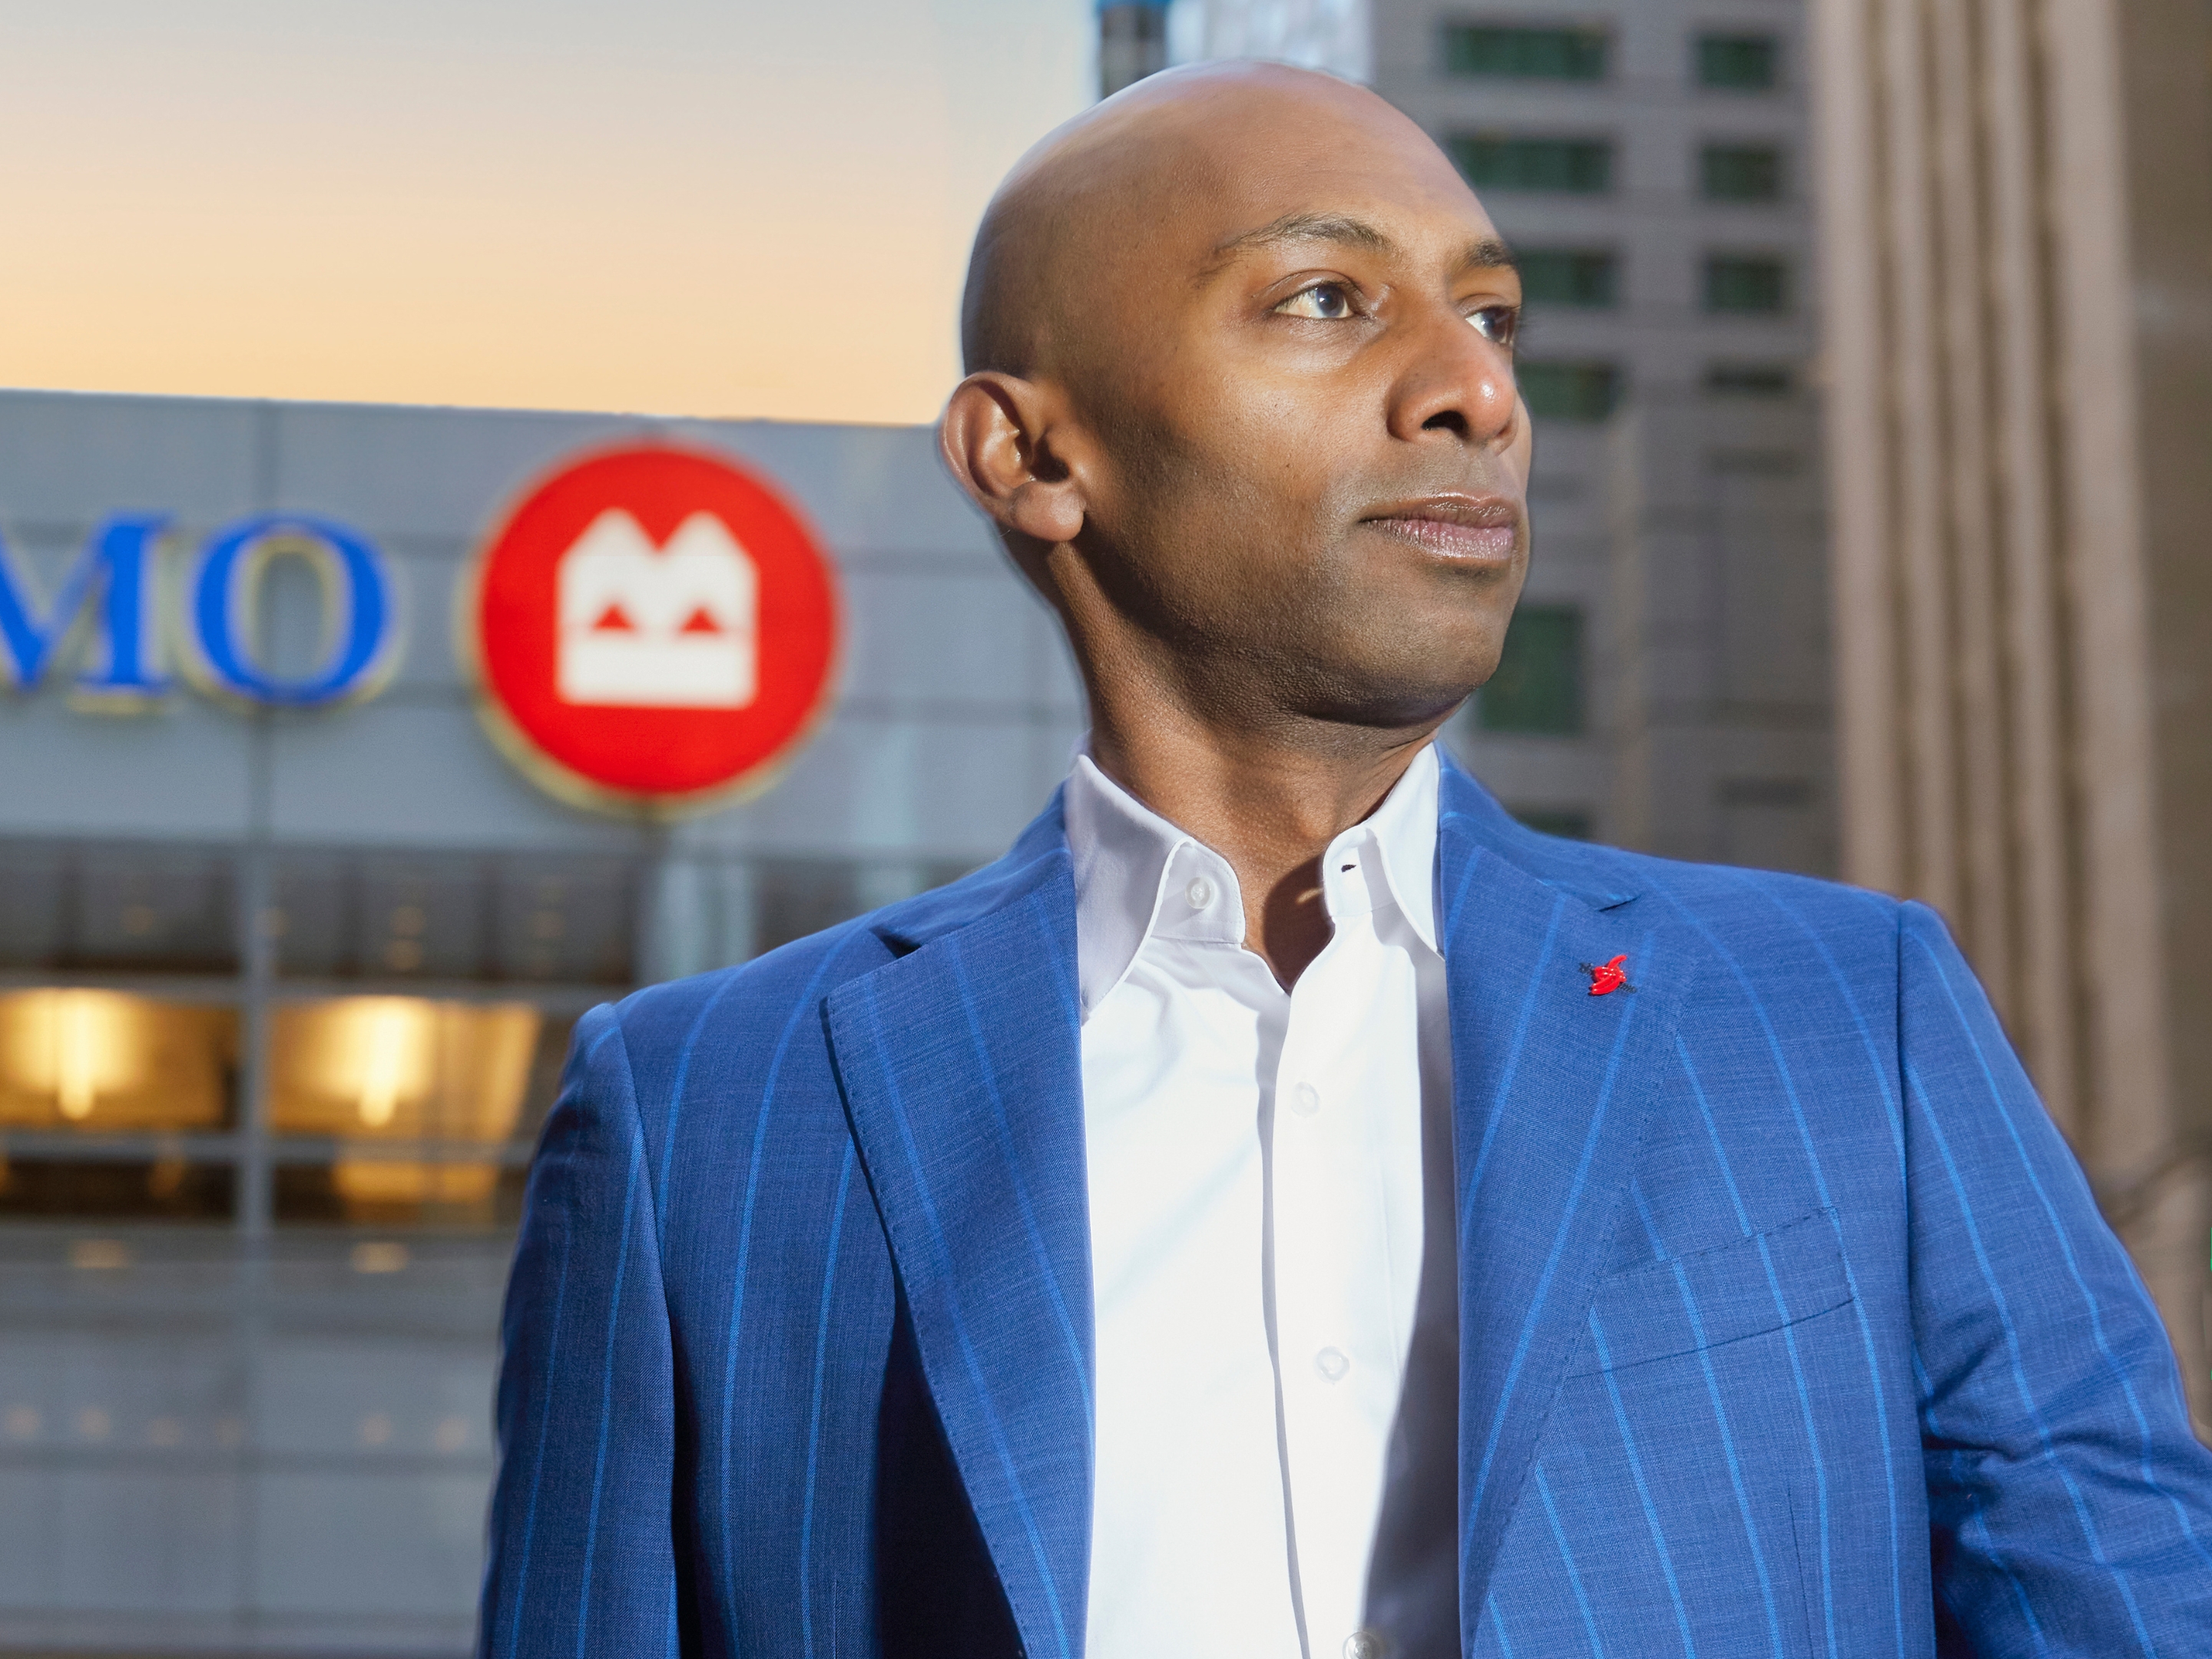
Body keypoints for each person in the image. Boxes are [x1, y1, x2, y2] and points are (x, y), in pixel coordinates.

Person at [478, 62, 2212, 1659]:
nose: (1475, 388)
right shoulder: (706, 1116)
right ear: (1031, 455)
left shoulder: (1848, 1018)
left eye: (1492, 314)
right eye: (1327, 299)